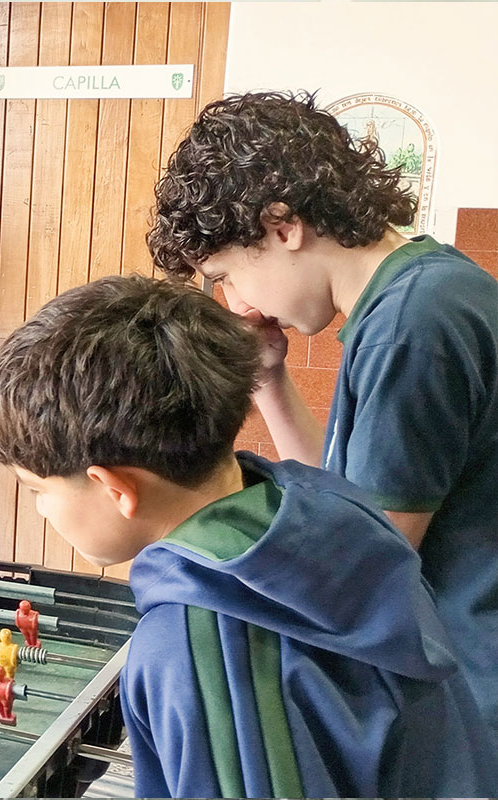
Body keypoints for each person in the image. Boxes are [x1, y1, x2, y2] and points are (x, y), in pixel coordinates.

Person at [0, 274, 496, 797]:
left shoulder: (193, 651)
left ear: (115, 489)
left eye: (37, 489)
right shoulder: (331, 510)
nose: (40, 508)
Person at [148, 91, 498, 735]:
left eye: (227, 275)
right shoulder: (418, 290)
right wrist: (267, 376)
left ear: (283, 226)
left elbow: (370, 564)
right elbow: (349, 502)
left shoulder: (411, 324)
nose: (238, 303)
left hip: (472, 694)